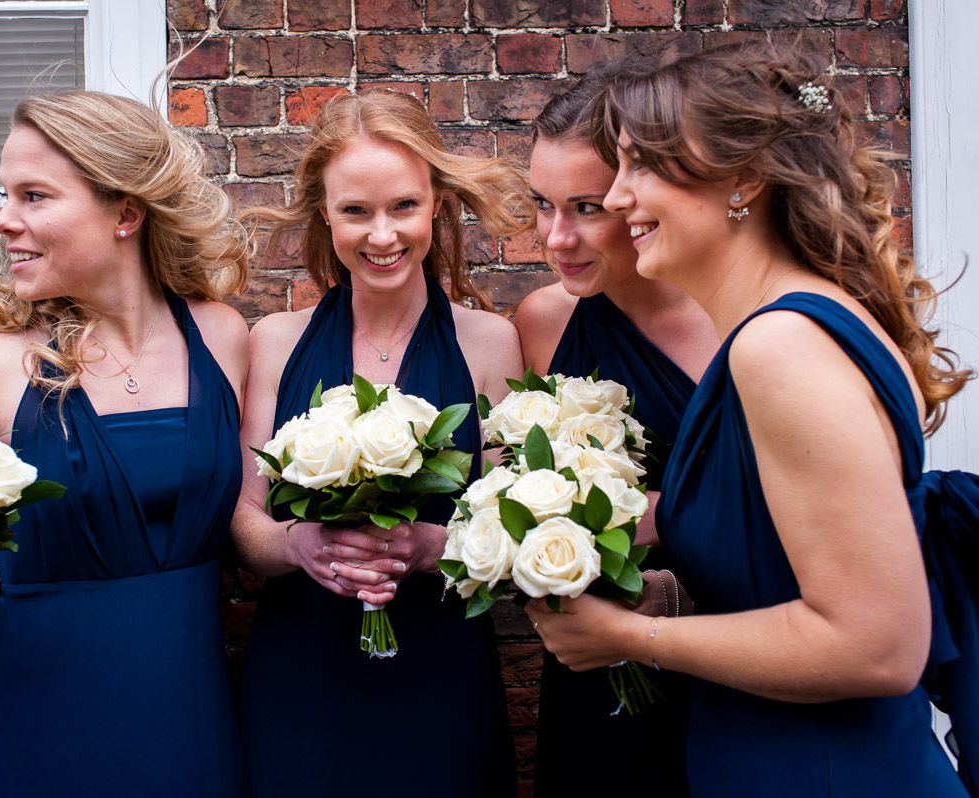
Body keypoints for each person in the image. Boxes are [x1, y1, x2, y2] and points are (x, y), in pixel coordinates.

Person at [527, 44, 973, 797]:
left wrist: (632, 636)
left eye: (645, 168)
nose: (622, 197)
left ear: (745, 181)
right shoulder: (801, 322)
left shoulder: (780, 346)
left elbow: (878, 648)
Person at [0, 90, 252, 797]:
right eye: (6, 194)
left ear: (126, 211)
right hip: (34, 730)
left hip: (191, 724)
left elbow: (248, 522)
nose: (3, 220)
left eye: (34, 196)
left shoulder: (222, 337)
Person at [231, 89, 530, 797]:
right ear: (324, 216)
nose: (383, 235)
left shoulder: (490, 344)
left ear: (436, 205)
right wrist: (300, 544)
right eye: (355, 211)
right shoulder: (274, 343)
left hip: (442, 670)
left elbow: (513, 526)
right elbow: (244, 522)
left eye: (403, 206)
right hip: (303, 672)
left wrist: (431, 548)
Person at [515, 68, 720, 798]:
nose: (555, 237)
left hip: (728, 672)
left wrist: (666, 599)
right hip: (597, 677)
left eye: (586, 208)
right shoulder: (544, 322)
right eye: (542, 204)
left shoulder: (739, 319)